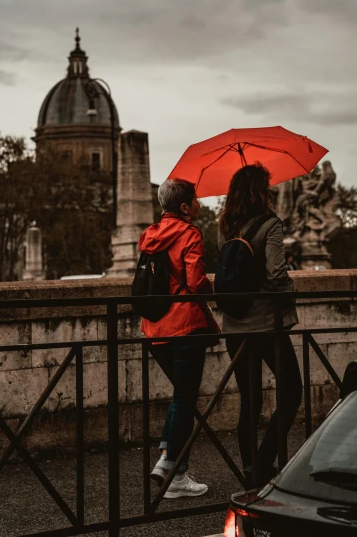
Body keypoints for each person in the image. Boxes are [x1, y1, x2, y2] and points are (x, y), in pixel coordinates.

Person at [218, 164, 303, 489]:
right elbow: (277, 275)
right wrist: (290, 295)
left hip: (234, 325)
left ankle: (251, 470)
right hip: (267, 324)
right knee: (292, 391)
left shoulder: (225, 226)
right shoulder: (271, 225)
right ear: (261, 191)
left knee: (249, 400)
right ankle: (265, 460)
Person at [140, 178, 220, 499]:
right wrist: (216, 294)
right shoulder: (189, 233)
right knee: (185, 399)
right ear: (185, 207)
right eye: (197, 200)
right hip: (185, 326)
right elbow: (196, 281)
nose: (200, 205)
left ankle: (166, 460)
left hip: (154, 328)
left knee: (180, 396)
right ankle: (175, 471)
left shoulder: (148, 235)